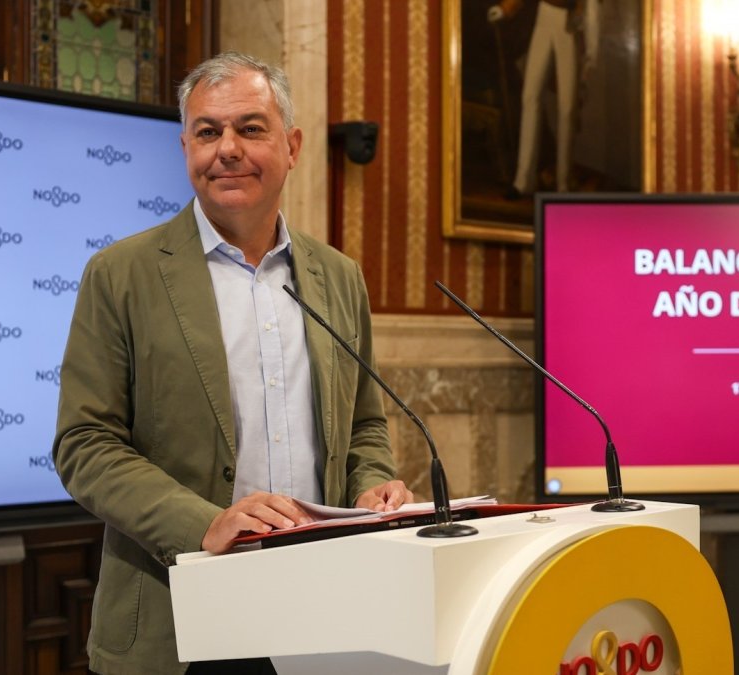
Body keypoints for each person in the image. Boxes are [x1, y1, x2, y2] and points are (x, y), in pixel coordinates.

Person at [53, 52, 413, 675]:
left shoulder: (339, 276)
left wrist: (370, 487)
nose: (227, 149)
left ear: (292, 145)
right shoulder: (121, 275)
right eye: (207, 132)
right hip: (178, 617)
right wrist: (206, 522)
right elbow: (84, 444)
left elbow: (364, 427)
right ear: (186, 147)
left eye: (250, 128)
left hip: (322, 614)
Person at [487, 0, 599, 196]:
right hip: (544, 17)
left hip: (570, 24)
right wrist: (505, 9)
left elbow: (593, 5)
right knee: (530, 96)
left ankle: (562, 185)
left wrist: (592, 50)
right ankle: (523, 181)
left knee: (566, 108)